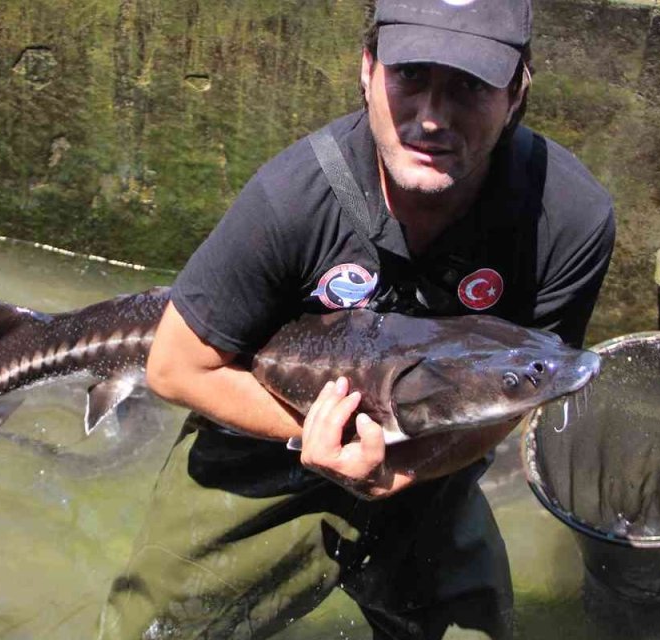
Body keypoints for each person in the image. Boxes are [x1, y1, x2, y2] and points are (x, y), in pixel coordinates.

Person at [98, 0, 615, 637]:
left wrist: (407, 469)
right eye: (411, 76)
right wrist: (332, 439)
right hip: (265, 438)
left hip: (429, 448)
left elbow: (522, 386)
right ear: (367, 70)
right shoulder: (291, 199)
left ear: (516, 95)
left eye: (470, 86)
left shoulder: (567, 215)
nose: (432, 117)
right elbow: (175, 369)